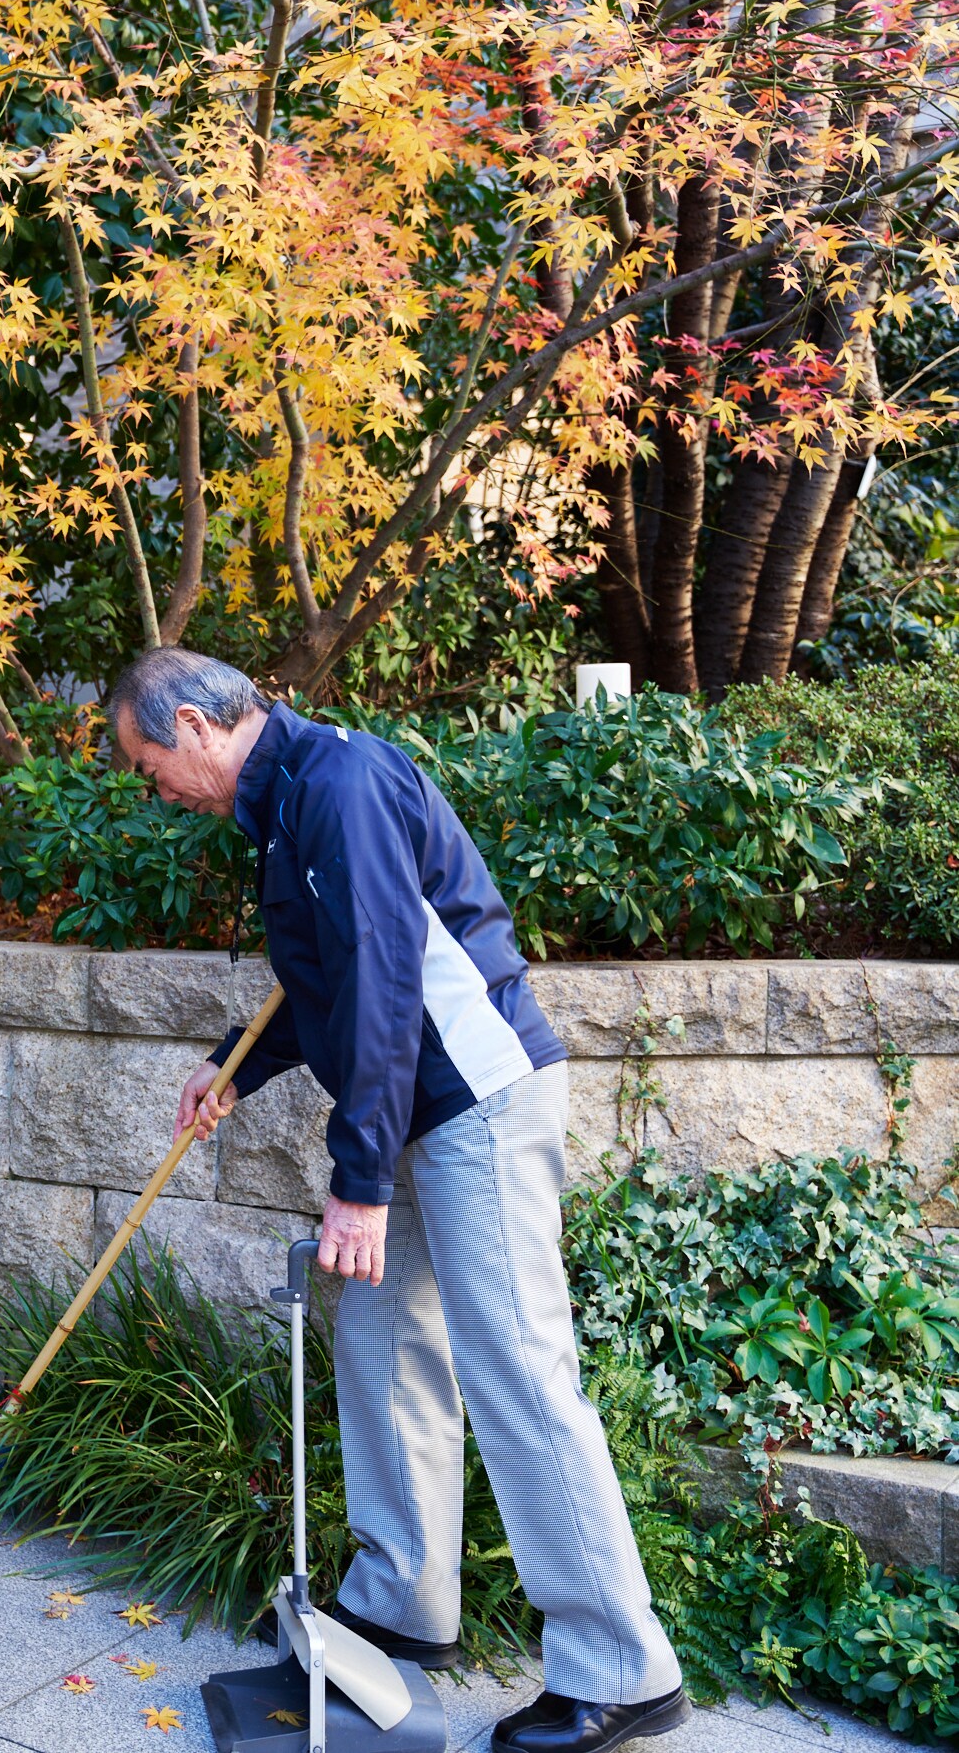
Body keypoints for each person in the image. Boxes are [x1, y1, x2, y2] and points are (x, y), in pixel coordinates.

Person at [112, 647, 687, 1753]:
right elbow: (320, 983)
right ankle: (399, 1603)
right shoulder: (289, 807)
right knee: (378, 1334)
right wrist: (233, 1060)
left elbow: (382, 980)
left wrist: (359, 1187)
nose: (158, 788)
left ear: (191, 724)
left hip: (475, 1097)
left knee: (516, 1365)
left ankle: (624, 1664)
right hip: (417, 1104)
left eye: (150, 765)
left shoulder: (343, 784)